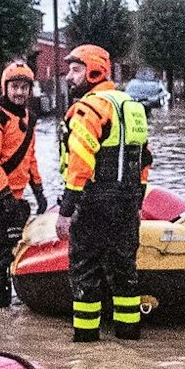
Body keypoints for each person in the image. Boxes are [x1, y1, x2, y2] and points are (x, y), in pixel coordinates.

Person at [56, 44, 151, 343]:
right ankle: (129, 339)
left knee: (85, 276)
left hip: (94, 203)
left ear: (94, 71)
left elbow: (80, 164)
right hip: (125, 205)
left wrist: (66, 211)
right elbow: (144, 161)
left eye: (75, 70)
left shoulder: (88, 109)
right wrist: (137, 201)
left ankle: (86, 347)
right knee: (126, 274)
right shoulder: (132, 106)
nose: (69, 77)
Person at [0, 60, 47, 308]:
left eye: (24, 87)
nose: (19, 92)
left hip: (15, 195)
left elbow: (31, 157)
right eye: (14, 87)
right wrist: (4, 195)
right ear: (5, 87)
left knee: (13, 246)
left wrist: (39, 190)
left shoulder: (29, 117)